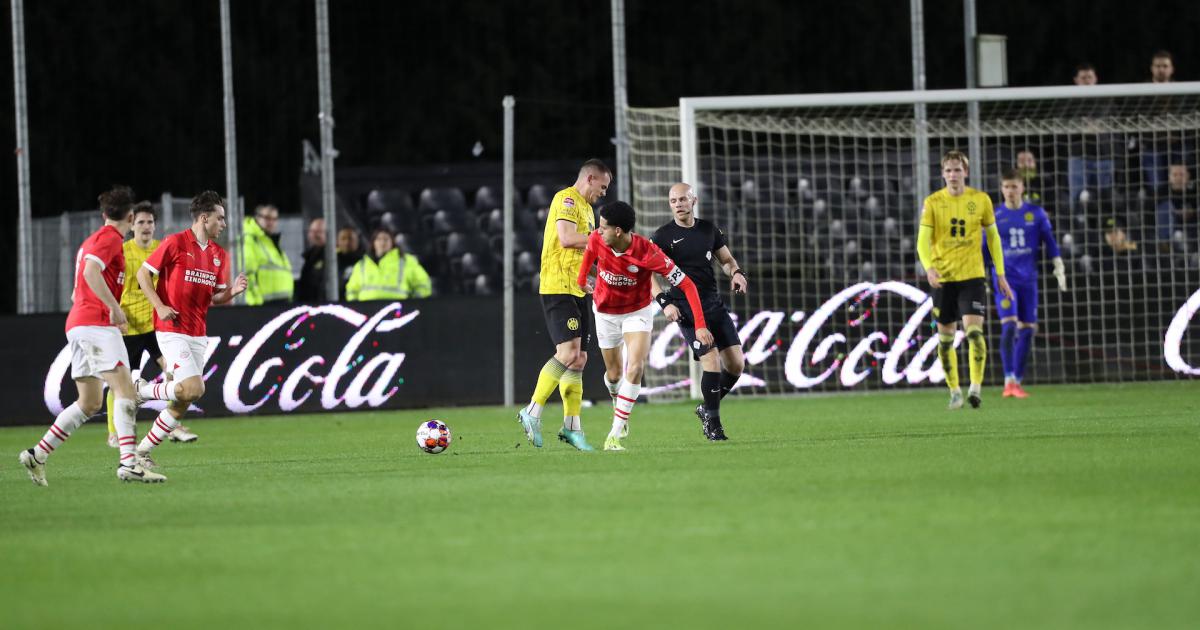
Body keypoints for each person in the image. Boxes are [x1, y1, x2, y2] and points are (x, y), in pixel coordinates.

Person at [18, 186, 164, 485]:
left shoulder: (93, 240)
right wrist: (114, 308)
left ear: (103, 214)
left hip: (80, 324)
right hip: (97, 325)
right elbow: (89, 274)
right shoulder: (110, 240)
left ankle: (37, 455)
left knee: (89, 402)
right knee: (125, 392)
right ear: (131, 216)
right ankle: (128, 464)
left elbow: (76, 290)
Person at [577, 201, 712, 451]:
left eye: (603, 227)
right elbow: (588, 256)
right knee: (614, 375)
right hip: (605, 313)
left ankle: (615, 434)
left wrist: (701, 325)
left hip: (636, 312)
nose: (598, 230)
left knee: (636, 366)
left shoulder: (648, 253)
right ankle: (619, 403)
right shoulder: (598, 239)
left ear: (618, 231)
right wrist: (582, 279)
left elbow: (688, 285)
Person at [132, 191, 247, 471]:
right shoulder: (174, 242)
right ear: (204, 218)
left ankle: (142, 451)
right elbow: (142, 275)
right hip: (172, 329)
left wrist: (231, 292)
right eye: (220, 218)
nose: (224, 224)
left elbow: (214, 298)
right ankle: (141, 391)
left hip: (198, 333)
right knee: (195, 388)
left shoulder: (219, 256)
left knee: (183, 399)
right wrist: (159, 306)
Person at [516, 159, 611, 451]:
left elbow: (585, 253)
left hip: (578, 288)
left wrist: (601, 275)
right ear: (591, 178)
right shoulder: (567, 198)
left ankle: (572, 428)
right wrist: (601, 239)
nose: (604, 193)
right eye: (603, 187)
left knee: (579, 359)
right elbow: (568, 239)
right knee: (567, 352)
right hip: (558, 285)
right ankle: (531, 411)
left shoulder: (588, 211)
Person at [650, 183, 747, 440]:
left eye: (683, 199)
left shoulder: (708, 230)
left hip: (713, 304)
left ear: (693, 201)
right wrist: (664, 302)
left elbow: (726, 260)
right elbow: (648, 274)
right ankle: (714, 425)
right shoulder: (662, 237)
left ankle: (707, 408)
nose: (678, 204)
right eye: (673, 201)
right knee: (711, 359)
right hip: (685, 308)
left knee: (736, 365)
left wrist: (736, 273)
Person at [916, 150, 1013, 409]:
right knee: (946, 338)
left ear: (965, 172)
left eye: (957, 169)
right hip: (944, 279)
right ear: (943, 174)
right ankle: (954, 391)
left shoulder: (980, 200)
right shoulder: (933, 202)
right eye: (948, 170)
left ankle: (976, 388)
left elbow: (993, 238)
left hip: (972, 276)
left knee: (974, 333)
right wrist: (929, 268)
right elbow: (922, 241)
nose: (953, 175)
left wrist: (1000, 273)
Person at [104, 202, 198, 447]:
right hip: (129, 326)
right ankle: (114, 432)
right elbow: (111, 286)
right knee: (120, 381)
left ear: (155, 226)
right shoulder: (123, 252)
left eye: (150, 222)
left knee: (174, 372)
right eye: (141, 222)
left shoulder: (163, 248)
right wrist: (113, 315)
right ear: (132, 225)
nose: (146, 227)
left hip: (157, 326)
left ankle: (171, 425)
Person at [990, 170, 1067, 399]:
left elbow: (1050, 243)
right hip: (1005, 279)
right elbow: (985, 249)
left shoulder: (1036, 213)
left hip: (1029, 279)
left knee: (1027, 330)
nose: (1010, 191)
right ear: (1002, 189)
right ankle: (1008, 379)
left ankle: (1017, 381)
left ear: (1022, 188)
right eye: (1006, 187)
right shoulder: (995, 215)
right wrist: (984, 277)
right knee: (1010, 325)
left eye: (1014, 186)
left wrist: (1058, 265)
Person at [343, 228, 432, 301]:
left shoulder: (406, 261)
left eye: (386, 239)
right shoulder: (361, 265)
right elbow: (351, 289)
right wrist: (356, 306)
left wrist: (413, 303)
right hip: (367, 312)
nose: (382, 242)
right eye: (379, 239)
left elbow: (423, 284)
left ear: (392, 243)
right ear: (373, 243)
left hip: (398, 310)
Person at [242, 203, 294, 305]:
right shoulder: (250, 239)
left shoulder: (269, 240)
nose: (271, 222)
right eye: (267, 218)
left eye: (274, 219)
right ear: (257, 217)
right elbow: (247, 272)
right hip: (263, 305)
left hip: (279, 303)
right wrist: (255, 302)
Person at [1155, 164, 1198, 242]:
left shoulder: (1194, 193)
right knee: (1165, 206)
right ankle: (1167, 242)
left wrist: (1192, 212)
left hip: (1191, 230)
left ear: (1188, 176)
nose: (1178, 178)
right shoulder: (1161, 192)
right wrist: (1176, 212)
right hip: (1169, 231)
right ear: (1169, 177)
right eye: (1175, 175)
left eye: (1181, 175)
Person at [297, 217, 328, 302]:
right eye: (312, 231)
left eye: (319, 231)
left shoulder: (333, 257)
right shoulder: (308, 257)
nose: (315, 235)